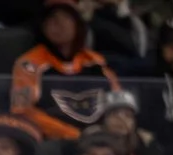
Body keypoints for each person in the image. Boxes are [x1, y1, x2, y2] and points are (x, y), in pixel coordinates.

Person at [11, 0, 120, 144]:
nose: (58, 24)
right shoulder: (28, 64)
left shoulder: (95, 61)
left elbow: (120, 102)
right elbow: (21, 110)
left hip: (100, 141)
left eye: (66, 18)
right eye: (52, 19)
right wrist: (74, 135)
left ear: (78, 25)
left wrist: (106, 133)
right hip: (53, 142)